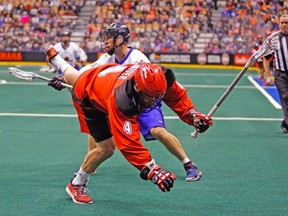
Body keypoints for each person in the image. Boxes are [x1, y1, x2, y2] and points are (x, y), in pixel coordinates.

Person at [44, 45, 213, 204]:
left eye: (158, 97)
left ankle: (58, 61)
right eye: (149, 98)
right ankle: (76, 185)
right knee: (107, 148)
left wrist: (193, 116)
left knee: (79, 78)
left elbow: (176, 96)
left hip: (104, 77)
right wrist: (153, 171)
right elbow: (128, 144)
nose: (154, 101)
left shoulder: (160, 76)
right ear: (138, 89)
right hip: (89, 98)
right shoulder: (122, 100)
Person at [79, 23, 203, 182]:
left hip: (145, 100)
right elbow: (85, 73)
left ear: (120, 39)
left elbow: (152, 85)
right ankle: (91, 165)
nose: (105, 41)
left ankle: (189, 164)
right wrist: (63, 77)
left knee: (158, 131)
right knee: (98, 122)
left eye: (109, 37)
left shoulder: (137, 57)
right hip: (122, 103)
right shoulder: (105, 58)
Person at [263, 14, 288, 133]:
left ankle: (286, 122)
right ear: (279, 24)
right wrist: (268, 75)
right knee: (285, 97)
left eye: (287, 22)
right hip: (280, 75)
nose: (284, 25)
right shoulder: (274, 38)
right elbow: (266, 58)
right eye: (282, 22)